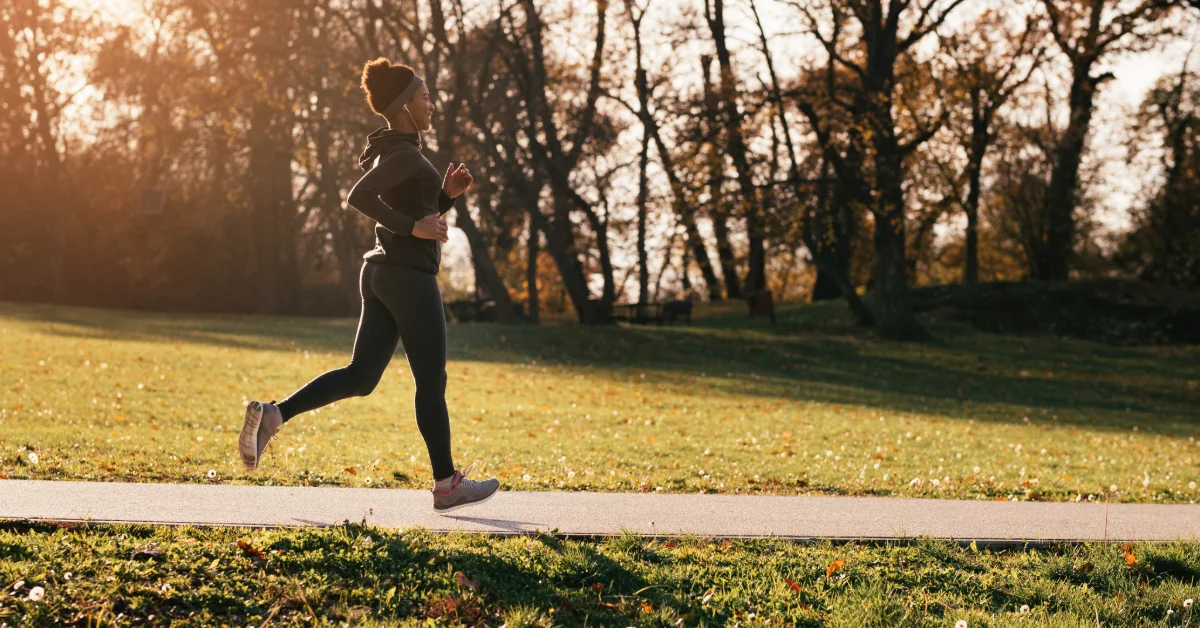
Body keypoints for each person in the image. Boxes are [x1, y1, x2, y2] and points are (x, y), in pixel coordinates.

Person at [237, 57, 500, 513]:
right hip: (407, 277)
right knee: (431, 380)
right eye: (424, 96)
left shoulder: (396, 149)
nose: (432, 103)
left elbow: (419, 212)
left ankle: (275, 415)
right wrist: (412, 228)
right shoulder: (402, 153)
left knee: (361, 376)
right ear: (403, 106)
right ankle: (446, 484)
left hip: (381, 273)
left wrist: (445, 198)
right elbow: (360, 196)